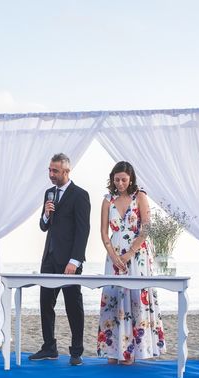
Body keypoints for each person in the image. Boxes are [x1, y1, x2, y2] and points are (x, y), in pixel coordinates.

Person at [98, 161, 165, 364]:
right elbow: (103, 231)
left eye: (124, 179)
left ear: (131, 179)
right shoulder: (108, 200)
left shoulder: (140, 196)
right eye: (116, 179)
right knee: (114, 298)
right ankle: (114, 350)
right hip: (113, 254)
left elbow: (146, 228)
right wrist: (113, 255)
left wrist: (129, 254)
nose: (119, 183)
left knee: (136, 297)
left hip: (137, 255)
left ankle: (133, 352)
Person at [29, 153, 91, 366]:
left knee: (73, 305)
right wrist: (46, 213)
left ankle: (76, 351)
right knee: (45, 303)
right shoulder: (49, 193)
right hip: (49, 258)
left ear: (66, 171)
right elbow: (44, 226)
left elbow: (83, 231)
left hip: (69, 262)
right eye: (49, 170)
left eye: (55, 170)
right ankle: (49, 348)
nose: (51, 174)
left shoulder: (80, 195)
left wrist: (75, 261)